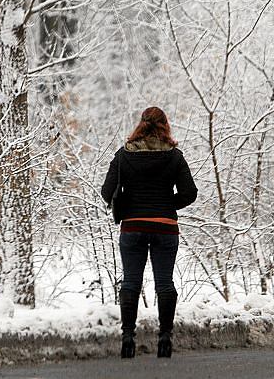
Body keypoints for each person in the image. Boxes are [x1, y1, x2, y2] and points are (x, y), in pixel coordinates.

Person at [101, 106, 198, 359]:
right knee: (164, 283)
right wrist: (166, 205)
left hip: (132, 226)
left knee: (131, 281)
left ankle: (128, 339)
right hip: (165, 227)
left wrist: (131, 204)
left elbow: (106, 192)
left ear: (140, 125)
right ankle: (165, 339)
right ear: (165, 125)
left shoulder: (123, 155)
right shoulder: (175, 157)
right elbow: (190, 193)